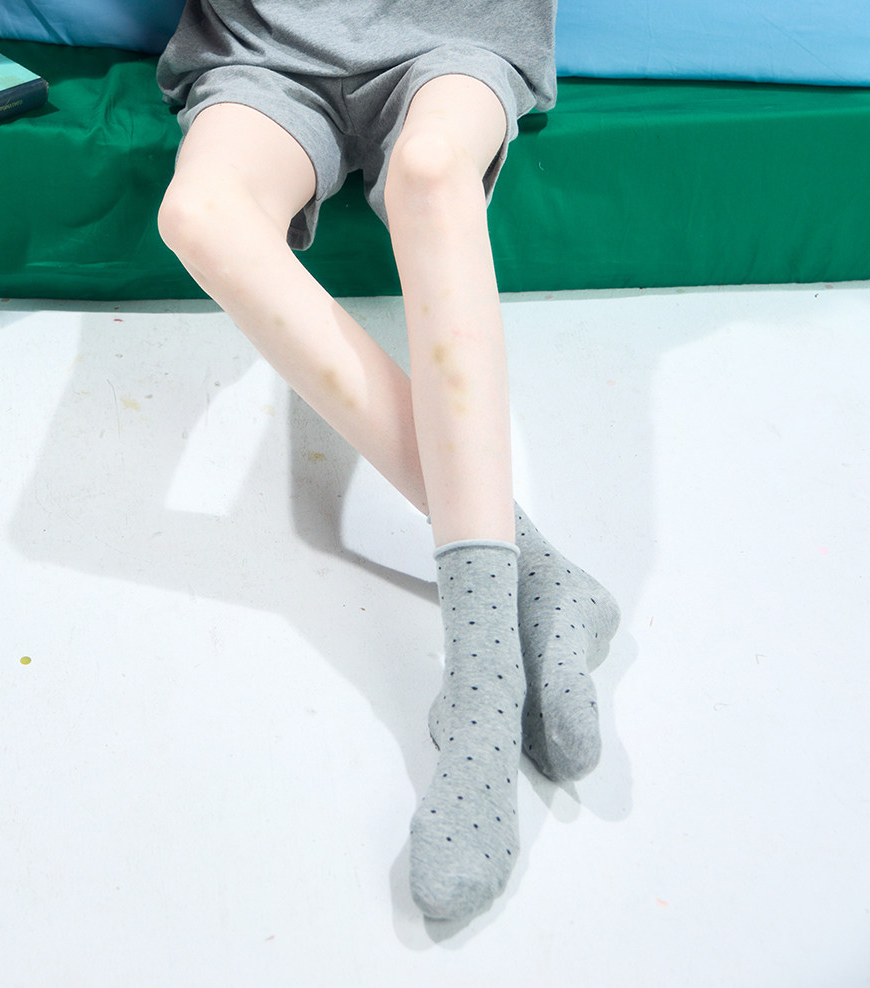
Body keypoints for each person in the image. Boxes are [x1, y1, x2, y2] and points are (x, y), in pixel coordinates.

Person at [155, 0, 619, 921]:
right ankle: (540, 576)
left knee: (433, 171)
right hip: (262, 43)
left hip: (460, 30)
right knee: (199, 214)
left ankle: (482, 691)